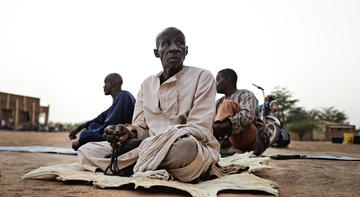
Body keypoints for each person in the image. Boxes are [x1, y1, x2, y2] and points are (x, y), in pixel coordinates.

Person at [77, 27, 220, 182]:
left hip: (183, 147)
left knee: (186, 149)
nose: (174, 48)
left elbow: (199, 129)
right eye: (166, 44)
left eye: (179, 44)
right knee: (87, 150)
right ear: (156, 52)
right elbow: (141, 127)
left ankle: (135, 166)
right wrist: (127, 133)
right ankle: (149, 166)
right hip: (143, 148)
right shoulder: (147, 85)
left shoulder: (202, 77)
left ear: (186, 51)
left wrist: (140, 143)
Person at [69, 73, 136, 150]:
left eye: (105, 83)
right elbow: (100, 118)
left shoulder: (123, 96)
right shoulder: (117, 101)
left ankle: (80, 143)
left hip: (121, 137)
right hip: (114, 134)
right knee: (92, 126)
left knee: (86, 134)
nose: (104, 86)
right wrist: (79, 128)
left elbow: (111, 123)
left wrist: (83, 138)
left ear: (111, 84)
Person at [212, 68, 271, 156]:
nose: (215, 83)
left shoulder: (245, 94)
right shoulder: (218, 102)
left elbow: (247, 117)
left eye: (217, 80)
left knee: (227, 105)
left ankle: (224, 146)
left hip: (255, 140)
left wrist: (219, 127)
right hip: (232, 141)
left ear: (229, 79)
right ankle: (231, 149)